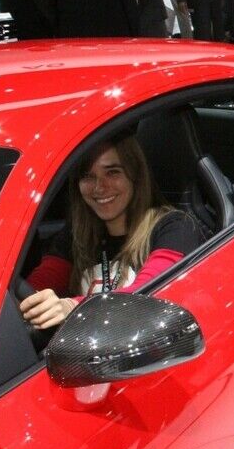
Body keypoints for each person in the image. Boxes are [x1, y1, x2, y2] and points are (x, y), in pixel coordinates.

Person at [20, 134, 204, 331]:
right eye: (88, 176)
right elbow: (36, 285)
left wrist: (71, 307)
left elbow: (148, 296)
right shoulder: (78, 234)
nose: (99, 187)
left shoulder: (175, 227)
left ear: (135, 175)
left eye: (112, 172)